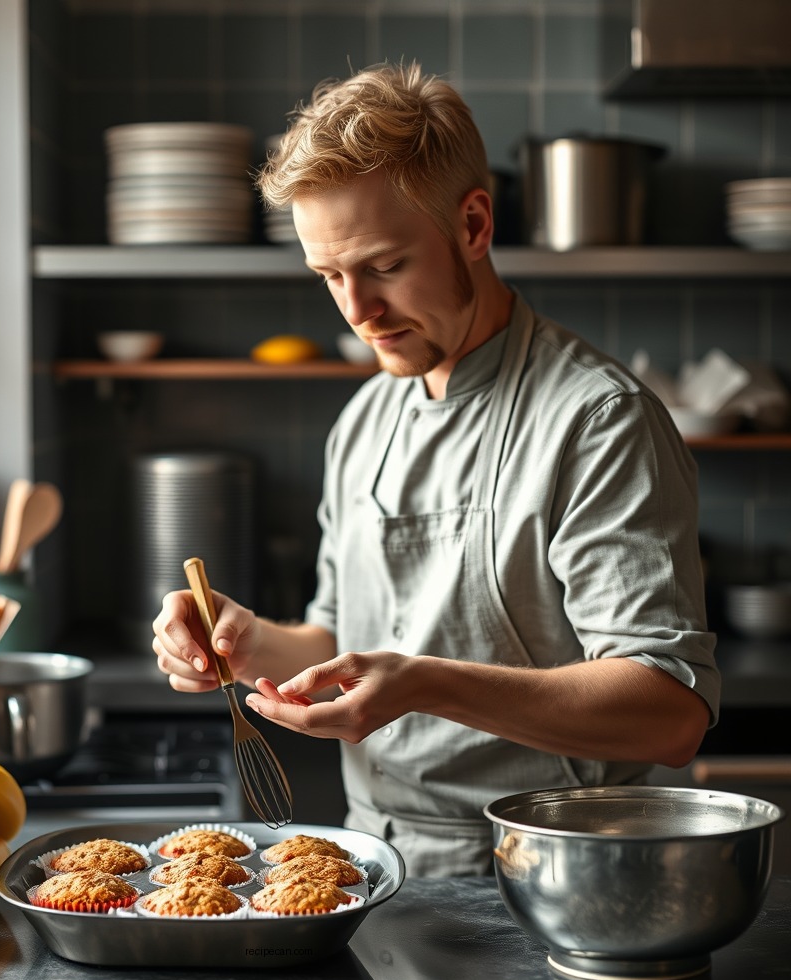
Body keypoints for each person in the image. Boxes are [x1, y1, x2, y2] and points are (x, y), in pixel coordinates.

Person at [151, 62, 719, 877]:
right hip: (371, 865)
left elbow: (669, 715)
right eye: (329, 276)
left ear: (474, 225)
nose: (356, 311)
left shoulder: (597, 419)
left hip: (548, 873)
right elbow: (335, 639)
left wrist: (423, 684)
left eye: (383, 266)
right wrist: (242, 644)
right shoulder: (365, 419)